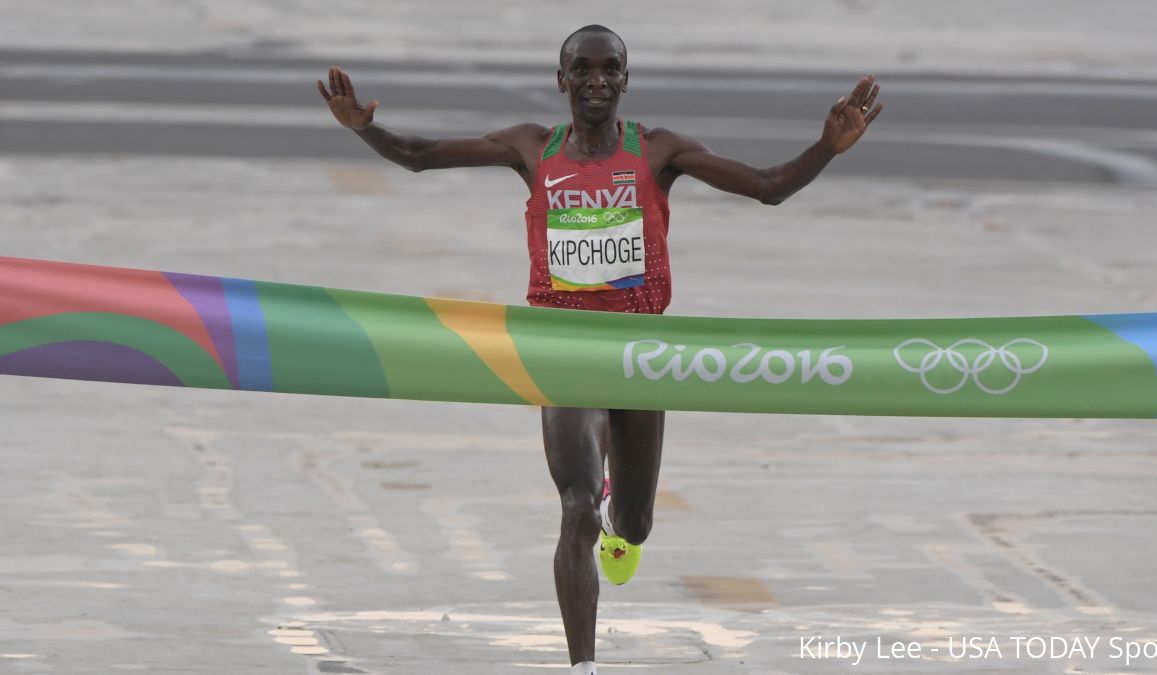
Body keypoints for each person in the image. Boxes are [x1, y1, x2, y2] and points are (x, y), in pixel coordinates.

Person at [319, 24, 882, 675]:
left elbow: (767, 184)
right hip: (561, 347)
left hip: (641, 354)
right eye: (581, 70)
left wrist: (827, 147)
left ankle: (624, 517)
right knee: (576, 506)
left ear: (624, 78)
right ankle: (583, 664)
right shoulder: (531, 147)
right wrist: (364, 128)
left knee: (631, 522)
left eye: (608, 68)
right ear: (562, 81)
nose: (595, 81)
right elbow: (419, 153)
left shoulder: (658, 150)